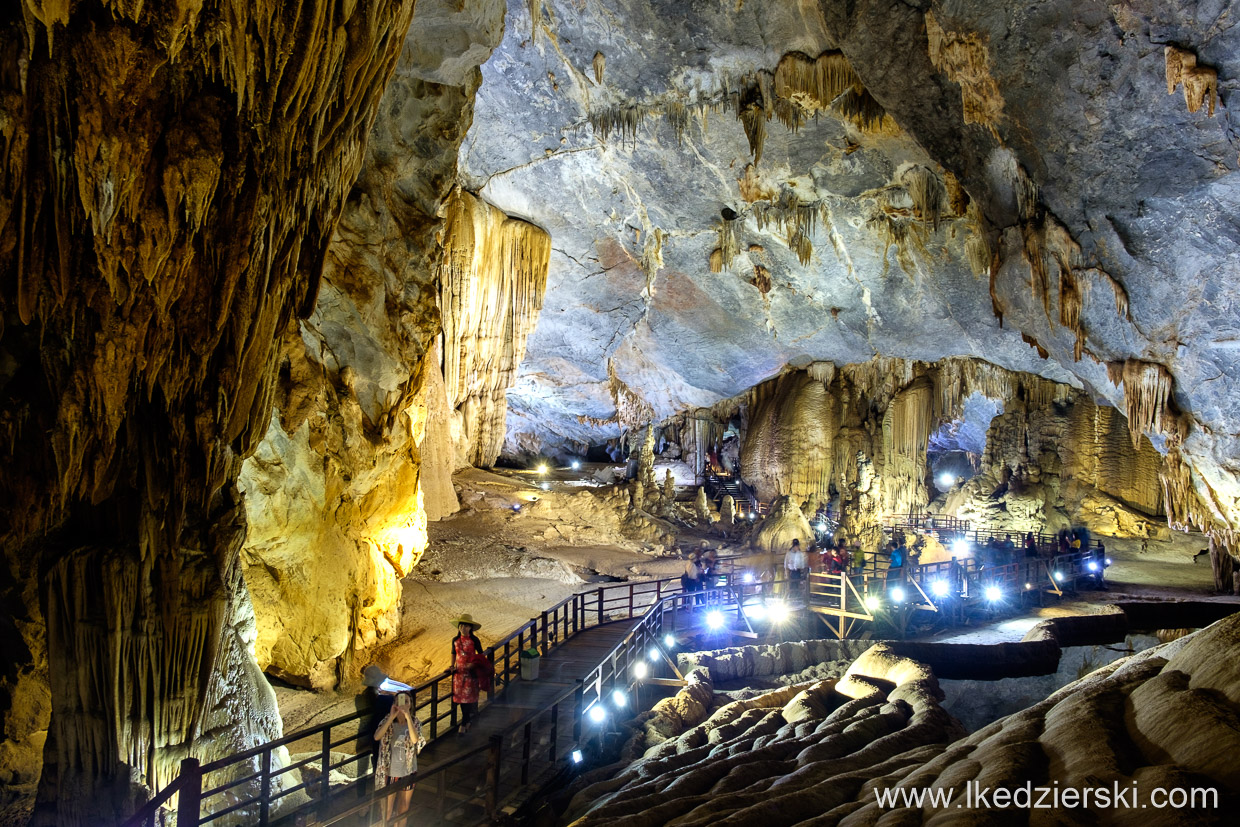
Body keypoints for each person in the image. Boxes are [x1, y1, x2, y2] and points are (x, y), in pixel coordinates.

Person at [375, 692, 425, 824]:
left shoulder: (415, 722)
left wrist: (408, 717)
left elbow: (416, 740)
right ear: (394, 704)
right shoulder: (388, 720)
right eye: (398, 702)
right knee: (386, 811)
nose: (403, 704)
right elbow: (377, 736)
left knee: (403, 809)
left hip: (408, 771)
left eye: (406, 702)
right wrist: (391, 717)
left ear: (411, 705)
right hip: (390, 772)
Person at [451, 615, 487, 734]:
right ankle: (467, 721)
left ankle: (463, 723)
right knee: (462, 699)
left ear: (470, 627)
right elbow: (453, 653)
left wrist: (473, 664)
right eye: (461, 625)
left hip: (471, 673)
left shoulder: (474, 640)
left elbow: (481, 655)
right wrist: (451, 666)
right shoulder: (455, 640)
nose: (463, 627)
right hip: (459, 674)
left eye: (466, 625)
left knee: (468, 699)